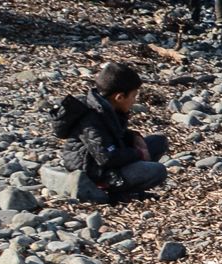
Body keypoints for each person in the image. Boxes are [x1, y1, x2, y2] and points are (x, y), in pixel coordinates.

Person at [47, 62, 170, 202]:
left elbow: (115, 136)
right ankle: (112, 190)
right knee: (158, 171)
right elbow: (106, 157)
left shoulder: (108, 107)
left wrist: (134, 137)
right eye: (133, 96)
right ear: (119, 97)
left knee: (159, 142)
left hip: (110, 158)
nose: (134, 101)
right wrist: (139, 153)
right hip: (94, 171)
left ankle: (130, 185)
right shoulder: (91, 117)